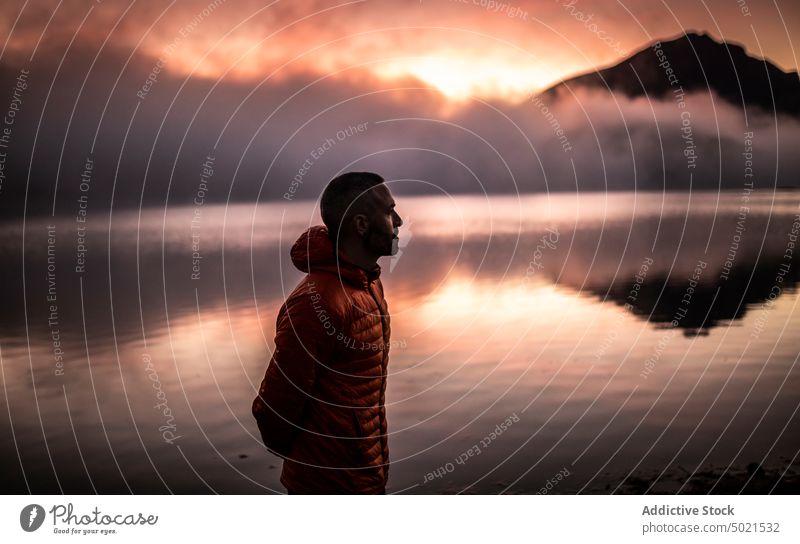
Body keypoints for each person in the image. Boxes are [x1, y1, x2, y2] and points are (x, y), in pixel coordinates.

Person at [252, 171, 403, 494]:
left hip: (363, 475)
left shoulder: (367, 283)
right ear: (361, 225)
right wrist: (315, 460)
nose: (399, 221)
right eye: (389, 212)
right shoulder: (316, 303)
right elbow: (275, 408)